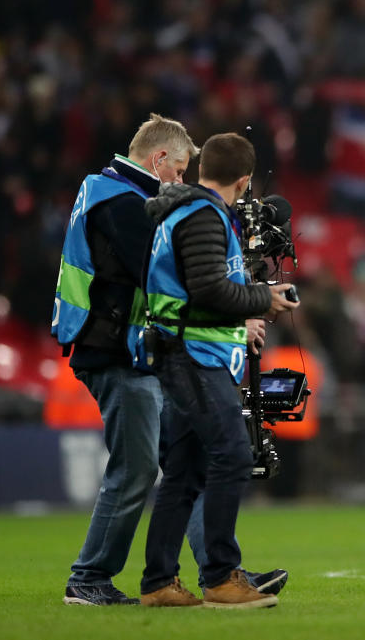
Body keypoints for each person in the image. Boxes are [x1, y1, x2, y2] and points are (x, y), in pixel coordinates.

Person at [52, 114, 284, 607]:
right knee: (141, 468)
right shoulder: (122, 203)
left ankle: (213, 571)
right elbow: (165, 276)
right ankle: (89, 577)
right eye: (178, 170)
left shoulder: (110, 195)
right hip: (118, 350)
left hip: (132, 347)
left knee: (187, 464)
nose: (181, 181)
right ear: (159, 161)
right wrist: (243, 305)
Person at [137, 133, 298, 609]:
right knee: (231, 453)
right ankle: (222, 577)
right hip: (193, 356)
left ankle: (158, 582)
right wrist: (262, 299)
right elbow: (208, 288)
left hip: (184, 351)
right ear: (245, 181)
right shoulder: (204, 215)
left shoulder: (184, 211)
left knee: (185, 473)